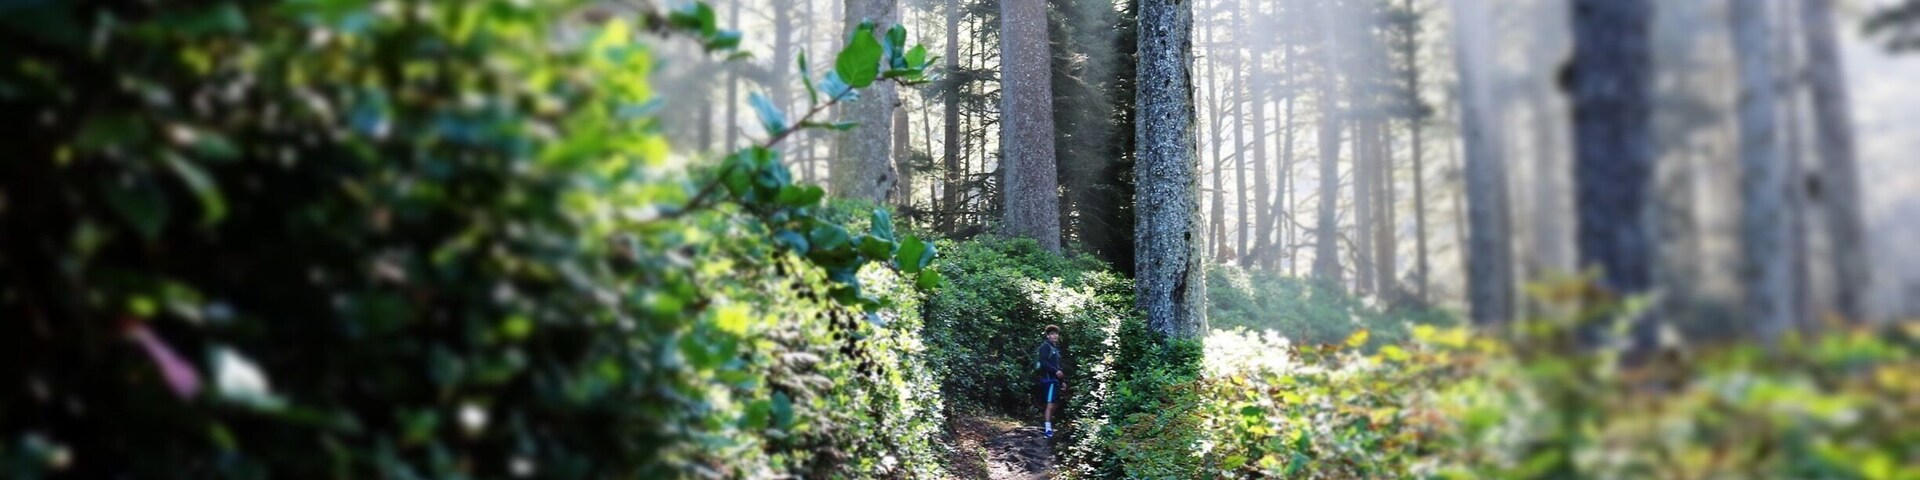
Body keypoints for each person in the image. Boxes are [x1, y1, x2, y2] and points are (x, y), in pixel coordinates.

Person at [1034, 325, 1065, 438]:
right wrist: (1055, 371)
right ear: (1047, 336)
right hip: (1048, 379)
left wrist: (1062, 381)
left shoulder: (1055, 349)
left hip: (1055, 380)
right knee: (1050, 404)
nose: (1055, 335)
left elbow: (1058, 366)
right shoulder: (1045, 347)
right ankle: (1048, 430)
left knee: (1054, 404)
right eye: (1052, 334)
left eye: (1056, 333)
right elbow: (1044, 363)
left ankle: (1049, 426)